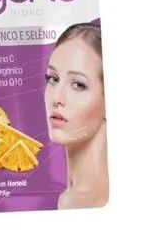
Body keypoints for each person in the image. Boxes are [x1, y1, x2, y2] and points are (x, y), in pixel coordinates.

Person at [44, 23, 108, 209]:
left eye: (79, 85)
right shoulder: (70, 197)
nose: (56, 98)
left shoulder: (88, 202)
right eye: (53, 79)